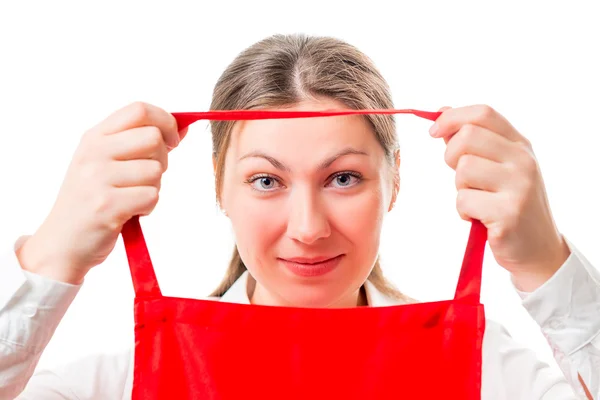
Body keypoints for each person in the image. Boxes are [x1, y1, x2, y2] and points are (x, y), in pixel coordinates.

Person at [0, 33, 598, 399]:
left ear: (393, 187)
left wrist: (544, 266)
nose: (309, 228)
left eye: (344, 178)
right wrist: (54, 256)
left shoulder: (488, 371)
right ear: (220, 190)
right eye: (266, 181)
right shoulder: (115, 383)